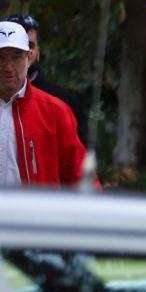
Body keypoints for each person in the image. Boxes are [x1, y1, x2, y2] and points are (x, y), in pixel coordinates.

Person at [0, 19, 86, 187]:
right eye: (1, 58)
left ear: (29, 57)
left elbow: (79, 176)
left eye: (16, 57)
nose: (8, 67)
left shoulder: (55, 111)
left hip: (34, 213)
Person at [4, 12, 87, 148]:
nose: (9, 64)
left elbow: (80, 158)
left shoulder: (61, 104)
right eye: (5, 55)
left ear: (35, 53)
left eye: (27, 46)